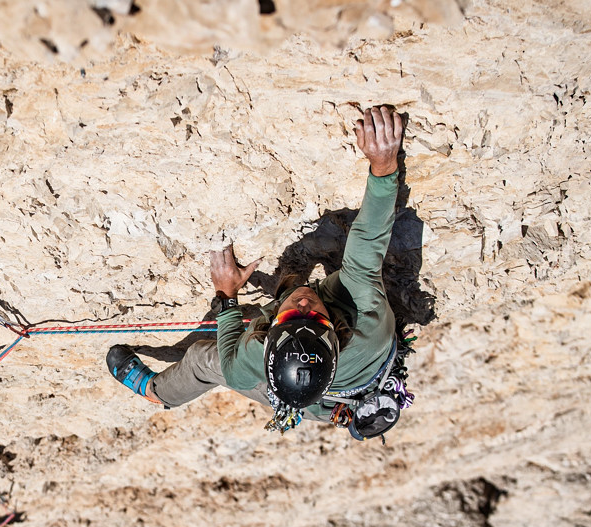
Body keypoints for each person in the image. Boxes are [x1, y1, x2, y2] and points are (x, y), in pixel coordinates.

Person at [107, 105, 408, 435]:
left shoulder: (254, 355)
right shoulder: (368, 317)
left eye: (290, 316)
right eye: (313, 316)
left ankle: (157, 393)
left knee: (202, 360)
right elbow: (367, 242)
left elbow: (232, 365)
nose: (304, 305)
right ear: (334, 330)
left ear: (269, 337)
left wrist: (226, 295)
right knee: (294, 287)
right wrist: (383, 167)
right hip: (351, 383)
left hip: (324, 396)